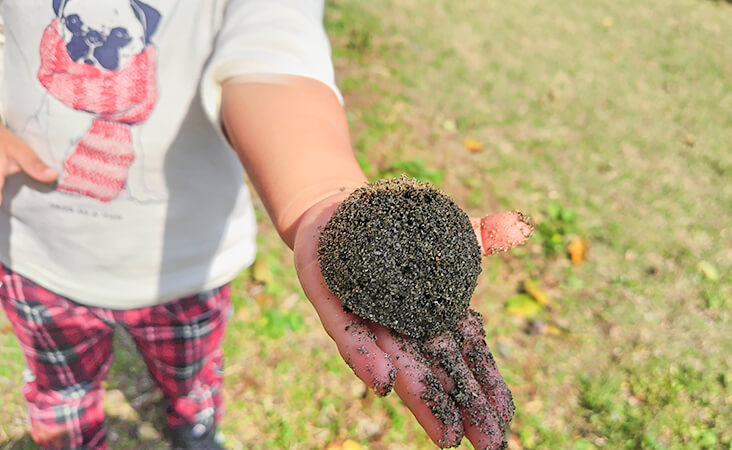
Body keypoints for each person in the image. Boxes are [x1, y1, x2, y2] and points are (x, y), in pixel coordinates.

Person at [0, 1, 532, 449]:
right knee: (60, 390)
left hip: (187, 268)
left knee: (191, 375)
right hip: (35, 255)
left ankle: (195, 426)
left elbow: (274, 53)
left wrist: (317, 191)